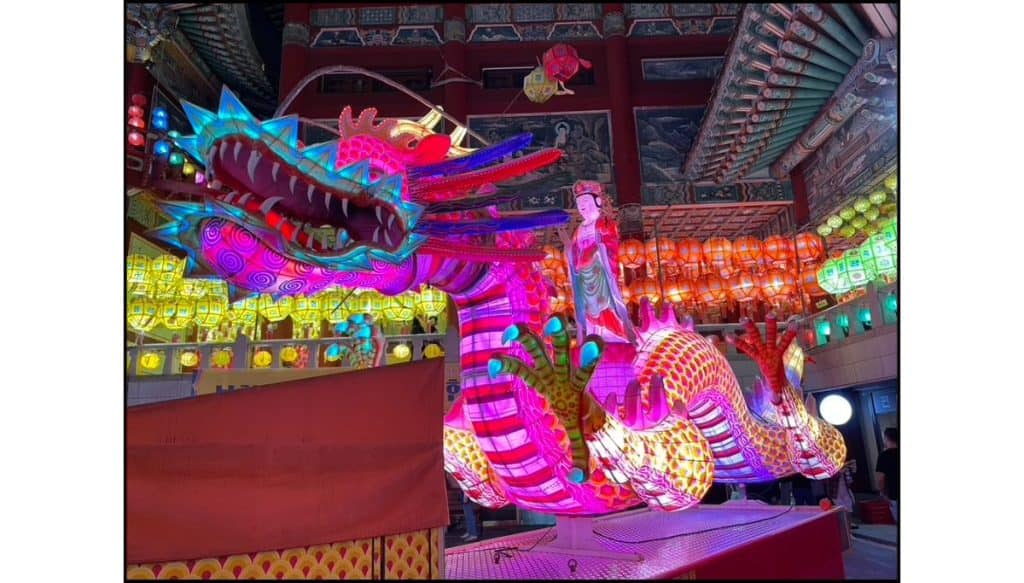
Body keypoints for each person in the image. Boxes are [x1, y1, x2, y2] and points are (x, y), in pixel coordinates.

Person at [558, 180, 637, 345]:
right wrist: (569, 250)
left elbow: (610, 246)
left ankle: (611, 333)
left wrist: (594, 252)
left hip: (600, 272)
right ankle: (593, 332)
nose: (582, 206)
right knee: (589, 308)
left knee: (604, 304)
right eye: (579, 203)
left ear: (598, 202)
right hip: (585, 277)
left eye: (585, 202)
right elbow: (574, 252)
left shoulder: (605, 223)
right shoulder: (579, 229)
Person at [875, 427, 898, 521]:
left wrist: (882, 492)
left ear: (886, 438)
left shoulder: (883, 456)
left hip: (894, 493)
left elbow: (881, 478)